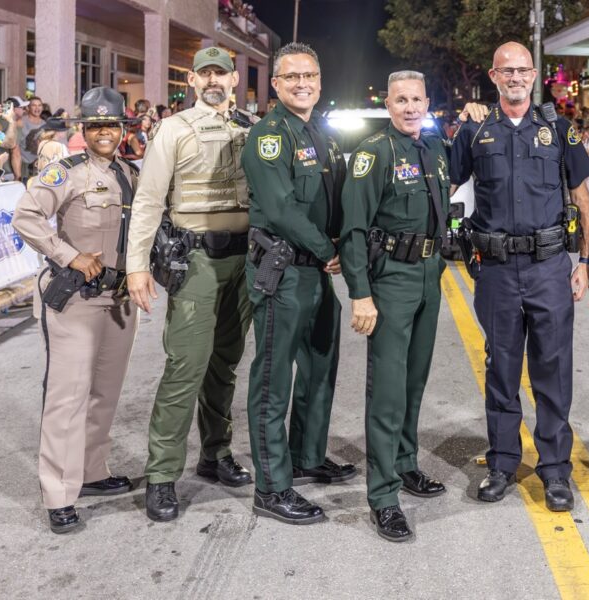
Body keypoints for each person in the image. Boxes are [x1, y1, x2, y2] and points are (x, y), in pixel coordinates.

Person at [449, 41, 589, 511]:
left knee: (552, 370)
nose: (515, 77)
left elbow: (583, 199)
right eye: (506, 71)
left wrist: (585, 263)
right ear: (493, 76)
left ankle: (555, 470)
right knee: (502, 369)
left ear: (534, 76)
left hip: (549, 267)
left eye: (522, 70)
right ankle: (502, 464)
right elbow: (446, 186)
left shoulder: (559, 129)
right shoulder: (475, 131)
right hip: (495, 270)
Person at [126, 47, 255, 522]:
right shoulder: (174, 129)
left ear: (235, 79)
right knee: (186, 366)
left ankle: (215, 454)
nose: (213, 80)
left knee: (226, 365)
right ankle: (162, 475)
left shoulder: (251, 128)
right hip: (196, 259)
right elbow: (148, 200)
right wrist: (136, 265)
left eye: (221, 73)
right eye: (206, 74)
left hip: (243, 260)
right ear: (193, 80)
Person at [11, 86, 139, 534]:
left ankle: (92, 471)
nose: (105, 132)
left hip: (118, 300)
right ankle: (59, 493)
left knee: (105, 392)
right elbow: (26, 217)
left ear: (122, 129)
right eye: (96, 125)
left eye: (112, 125)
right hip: (77, 299)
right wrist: (69, 256)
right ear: (84, 129)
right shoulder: (65, 171)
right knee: (67, 397)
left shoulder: (130, 173)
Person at [241, 42, 355, 526]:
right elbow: (281, 208)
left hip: (317, 273)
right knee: (273, 379)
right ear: (276, 84)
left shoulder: (322, 133)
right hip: (284, 271)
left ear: (320, 81)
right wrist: (330, 250)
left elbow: (341, 197)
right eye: (291, 77)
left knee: (319, 367)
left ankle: (307, 456)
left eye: (309, 75)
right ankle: (271, 487)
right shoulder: (269, 136)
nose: (301, 83)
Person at [339, 70, 449, 542]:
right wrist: (360, 292)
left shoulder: (434, 149)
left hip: (429, 275)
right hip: (391, 280)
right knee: (386, 389)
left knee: (413, 382)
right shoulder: (374, 153)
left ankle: (405, 465)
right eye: (401, 100)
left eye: (416, 100)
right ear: (388, 104)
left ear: (427, 103)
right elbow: (353, 228)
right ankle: (383, 496)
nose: (410, 108)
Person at [19, 96, 45, 178]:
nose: (37, 108)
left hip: (39, 165)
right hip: (23, 164)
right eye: (34, 105)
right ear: (28, 107)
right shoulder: (21, 122)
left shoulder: (45, 124)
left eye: (39, 105)